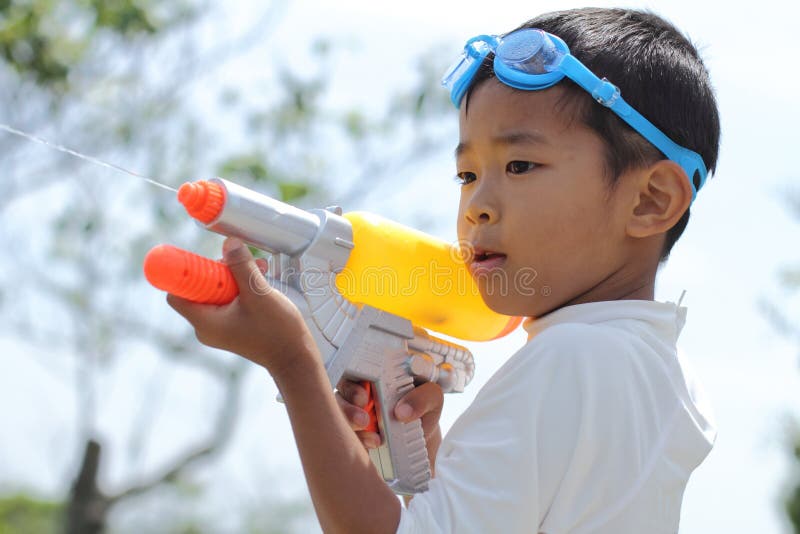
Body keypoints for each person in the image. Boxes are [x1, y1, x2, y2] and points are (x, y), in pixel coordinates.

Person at [166, 7, 720, 533]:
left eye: (520, 165)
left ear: (651, 200)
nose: (477, 206)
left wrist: (293, 362)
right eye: (467, 176)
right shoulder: (659, 370)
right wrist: (430, 468)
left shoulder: (571, 357)